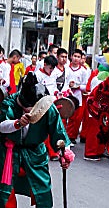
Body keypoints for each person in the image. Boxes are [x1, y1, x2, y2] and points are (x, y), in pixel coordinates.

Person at [0, 72, 74, 207]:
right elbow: (1, 126)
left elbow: (59, 133)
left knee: (43, 190)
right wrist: (17, 123)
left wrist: (65, 154)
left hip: (35, 152)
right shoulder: (9, 103)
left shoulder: (47, 108)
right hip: (10, 152)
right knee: (4, 192)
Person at [65, 49, 88, 144]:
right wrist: (68, 85)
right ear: (71, 56)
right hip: (66, 95)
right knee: (64, 117)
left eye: (78, 57)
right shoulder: (66, 68)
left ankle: (72, 137)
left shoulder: (84, 71)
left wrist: (78, 86)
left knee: (75, 118)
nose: (76, 58)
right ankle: (64, 135)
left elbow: (86, 86)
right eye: (75, 56)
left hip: (77, 96)